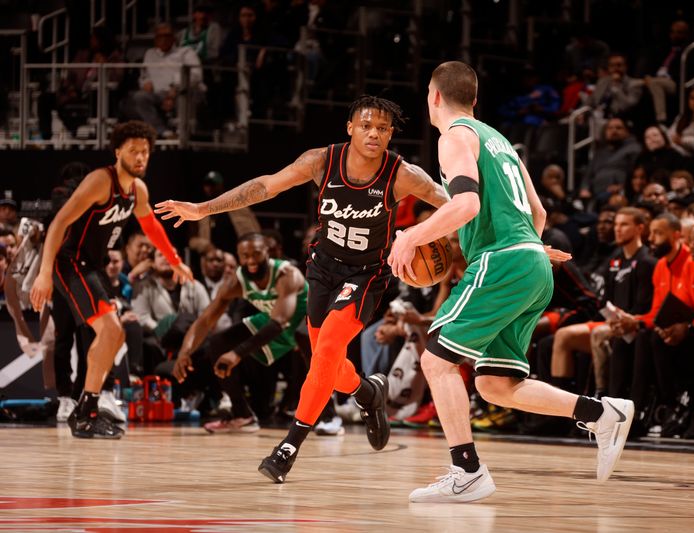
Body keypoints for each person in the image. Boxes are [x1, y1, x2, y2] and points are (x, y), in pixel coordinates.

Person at [154, 95, 450, 483]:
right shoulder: (321, 161)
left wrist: (517, 243)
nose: (374, 133)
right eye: (366, 126)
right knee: (328, 364)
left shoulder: (401, 174)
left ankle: (288, 447)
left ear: (391, 134)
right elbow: (265, 186)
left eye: (382, 128)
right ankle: (366, 393)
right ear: (350, 128)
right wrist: (203, 209)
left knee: (326, 349)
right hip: (323, 271)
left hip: (366, 276)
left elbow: (460, 206)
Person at [387, 61, 634, 503]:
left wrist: (411, 238)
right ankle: (602, 412)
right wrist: (529, 250)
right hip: (531, 263)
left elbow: (464, 203)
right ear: (474, 98)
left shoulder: (455, 137)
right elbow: (537, 215)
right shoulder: (500, 141)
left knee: (436, 361)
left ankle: (467, 471)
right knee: (495, 383)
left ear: (435, 96)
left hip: (502, 261)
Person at [29, 121, 194, 439]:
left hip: (92, 266)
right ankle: (85, 412)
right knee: (111, 331)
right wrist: (44, 272)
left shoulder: (138, 190)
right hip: (69, 261)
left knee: (114, 337)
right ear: (118, 151)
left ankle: (86, 409)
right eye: (133, 150)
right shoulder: (100, 181)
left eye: (145, 151)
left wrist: (175, 260)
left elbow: (152, 228)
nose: (140, 156)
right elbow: (59, 222)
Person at [173, 233, 307, 433]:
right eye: (245, 255)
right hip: (271, 320)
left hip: (304, 323)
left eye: (256, 254)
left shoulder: (286, 274)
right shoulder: (237, 280)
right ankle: (242, 414)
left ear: (267, 253)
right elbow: (205, 320)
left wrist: (237, 353)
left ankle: (328, 416)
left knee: (305, 342)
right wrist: (185, 352)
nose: (251, 260)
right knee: (218, 343)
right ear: (238, 256)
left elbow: (280, 322)